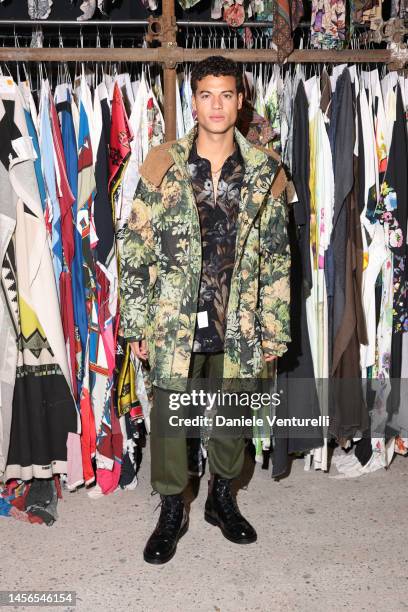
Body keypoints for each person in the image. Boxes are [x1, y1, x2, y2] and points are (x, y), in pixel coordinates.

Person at [120, 56, 291, 564]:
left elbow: (278, 255)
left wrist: (274, 330)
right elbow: (135, 245)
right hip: (176, 319)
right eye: (205, 95)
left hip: (238, 319)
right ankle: (172, 506)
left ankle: (221, 499)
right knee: (172, 420)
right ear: (192, 102)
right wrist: (136, 321)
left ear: (241, 102)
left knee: (233, 414)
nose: (216, 105)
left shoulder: (266, 170)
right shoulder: (161, 162)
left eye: (226, 95)